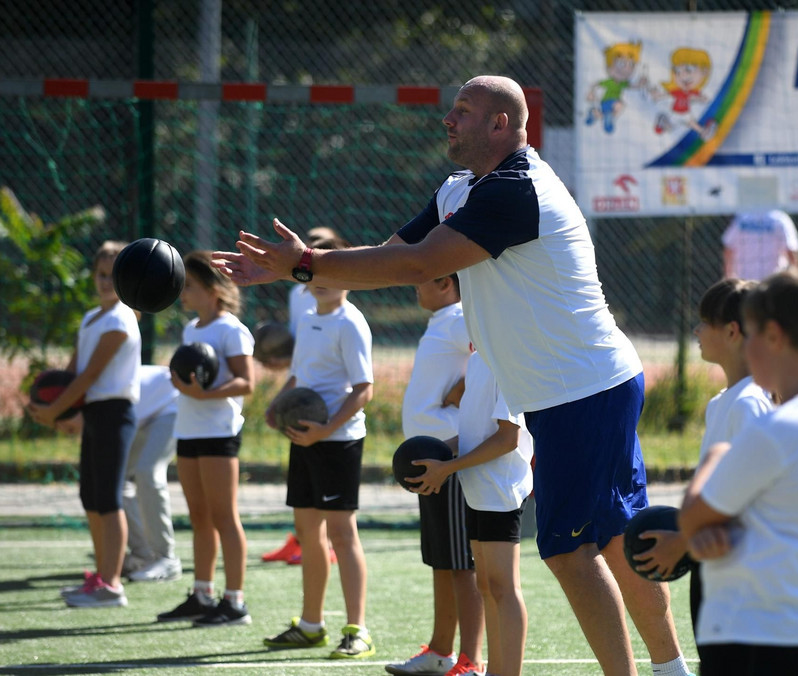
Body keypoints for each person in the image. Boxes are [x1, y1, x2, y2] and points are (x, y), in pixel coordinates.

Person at [214, 75, 693, 676]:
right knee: (615, 540)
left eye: (463, 111)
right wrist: (291, 273)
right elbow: (392, 255)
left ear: (501, 124)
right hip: (575, 387)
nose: (449, 119)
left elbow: (420, 263)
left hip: (583, 388)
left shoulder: (517, 190)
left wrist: (305, 264)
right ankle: (670, 669)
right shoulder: (460, 188)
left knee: (571, 551)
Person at [678, 266, 798, 676]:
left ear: (775, 337)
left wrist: (717, 457)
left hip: (750, 634)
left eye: (751, 331)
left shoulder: (775, 429)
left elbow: (693, 516)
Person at [630, 278, 773, 636]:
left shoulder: (749, 404)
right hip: (714, 566)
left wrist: (681, 542)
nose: (696, 330)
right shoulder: (722, 403)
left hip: (743, 579)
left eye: (704, 322)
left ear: (732, 332)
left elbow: (748, 502)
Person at [262, 236, 377, 659]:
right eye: (316, 271)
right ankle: (311, 624)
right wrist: (277, 405)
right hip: (305, 438)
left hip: (338, 442)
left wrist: (323, 431)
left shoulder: (351, 322)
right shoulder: (308, 318)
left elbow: (363, 390)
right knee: (308, 533)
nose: (323, 280)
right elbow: (299, 377)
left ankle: (357, 629)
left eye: (334, 270)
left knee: (342, 536)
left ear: (347, 275)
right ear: (305, 277)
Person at [409, 351, 534, 676]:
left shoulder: (506, 361)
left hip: (500, 489)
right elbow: (472, 433)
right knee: (487, 585)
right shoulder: (478, 361)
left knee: (504, 587)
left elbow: (508, 439)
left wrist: (448, 467)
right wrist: (432, 455)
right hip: (476, 487)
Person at [31, 240, 141, 608]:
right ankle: (100, 577)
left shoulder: (122, 318)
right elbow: (73, 372)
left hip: (115, 413)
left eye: (114, 275)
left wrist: (52, 411)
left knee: (108, 500)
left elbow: (92, 375)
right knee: (91, 498)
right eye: (101, 274)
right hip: (94, 412)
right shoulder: (91, 317)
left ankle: (112, 585)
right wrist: (65, 412)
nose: (107, 281)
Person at [387, 273, 485, 676]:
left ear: (447, 283)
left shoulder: (463, 316)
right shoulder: (444, 319)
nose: (415, 284)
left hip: (451, 461)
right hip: (433, 460)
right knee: (442, 562)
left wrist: (465, 386)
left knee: (463, 565)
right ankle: (441, 652)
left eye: (424, 278)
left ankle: (470, 662)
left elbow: (498, 353)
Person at [156, 250, 255, 627]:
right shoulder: (191, 330)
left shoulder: (231, 329)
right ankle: (202, 593)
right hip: (189, 429)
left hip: (218, 432)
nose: (184, 293)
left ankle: (235, 602)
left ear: (214, 289)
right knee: (198, 516)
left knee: (224, 517)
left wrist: (203, 394)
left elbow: (247, 382)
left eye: (191, 286)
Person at [261, 226, 343, 566]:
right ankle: (301, 540)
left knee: (330, 505)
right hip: (302, 393)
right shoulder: (300, 293)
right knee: (303, 497)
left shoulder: (343, 314)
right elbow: (300, 350)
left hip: (332, 415)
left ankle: (324, 544)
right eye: (308, 242)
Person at [57, 364, 182, 583]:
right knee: (116, 481)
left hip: (171, 405)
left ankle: (166, 558)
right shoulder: (94, 404)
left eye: (68, 428)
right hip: (145, 415)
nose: (71, 434)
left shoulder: (103, 405)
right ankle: (143, 555)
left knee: (147, 472)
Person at [722, 209, 798, 281]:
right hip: (773, 282)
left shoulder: (742, 219)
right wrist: (795, 278)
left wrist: (728, 276)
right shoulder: (780, 219)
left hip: (746, 281)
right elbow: (791, 250)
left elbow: (729, 249)